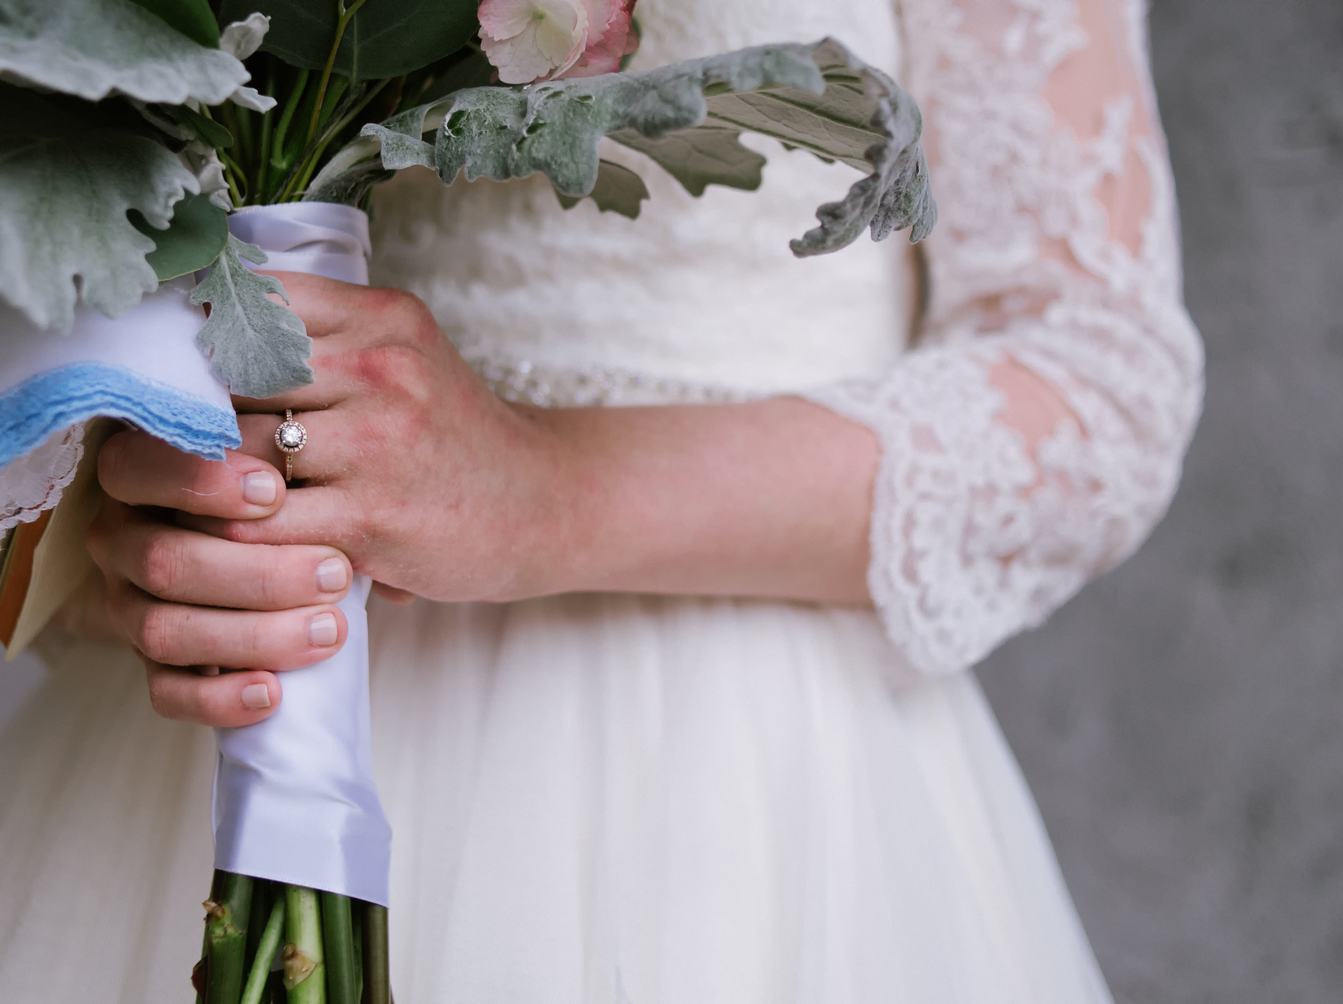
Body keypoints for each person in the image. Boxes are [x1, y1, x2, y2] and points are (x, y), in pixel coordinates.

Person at [0, 0, 1203, 999]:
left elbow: (1094, 387)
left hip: (738, 782)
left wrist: (545, 487)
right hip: (205, 721)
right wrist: (133, 519)